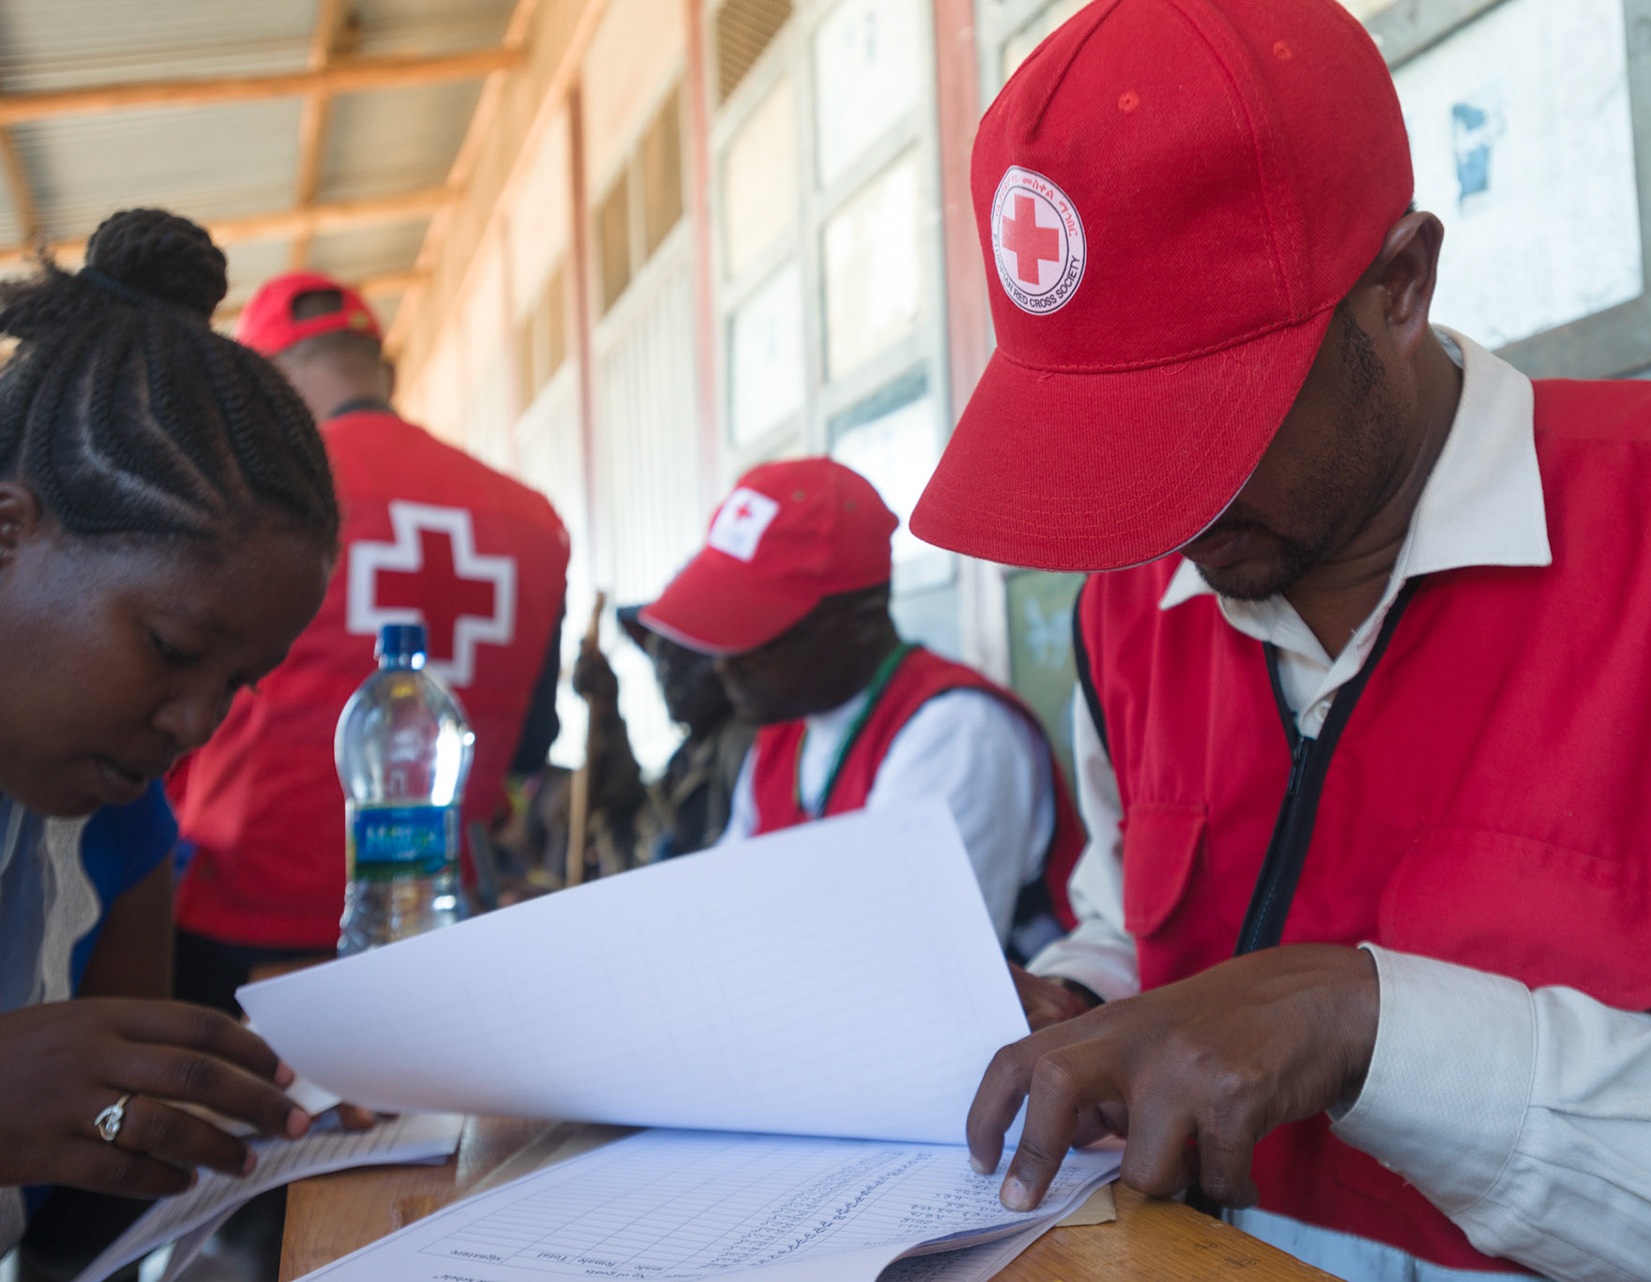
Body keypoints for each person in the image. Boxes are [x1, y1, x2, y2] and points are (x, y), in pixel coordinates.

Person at [905, 2, 1651, 1278]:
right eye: (1104, 452)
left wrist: (1372, 1023)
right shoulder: (1129, 616)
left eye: (1203, 427)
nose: (1165, 518)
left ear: (1401, 284)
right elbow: (1129, 922)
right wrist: (1081, 1005)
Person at [0, 209, 344, 1251]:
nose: (197, 722)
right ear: (10, 533)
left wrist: (240, 1110)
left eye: (239, 684)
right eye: (170, 645)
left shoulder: (114, 819)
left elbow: (82, 1171)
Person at [169, 271, 571, 1012]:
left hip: (244, 921)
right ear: (383, 370)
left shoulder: (253, 494)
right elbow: (530, 743)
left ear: (266, 386)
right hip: (436, 926)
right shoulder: (534, 519)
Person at [639, 458, 1081, 956]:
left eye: (755, 637)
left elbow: (893, 956)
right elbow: (721, 900)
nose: (724, 666)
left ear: (863, 621)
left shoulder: (957, 731)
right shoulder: (784, 731)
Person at [571, 608, 754, 868]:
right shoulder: (679, 768)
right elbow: (626, 849)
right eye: (658, 654)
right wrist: (606, 712)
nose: (667, 669)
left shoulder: (742, 745)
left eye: (682, 652)